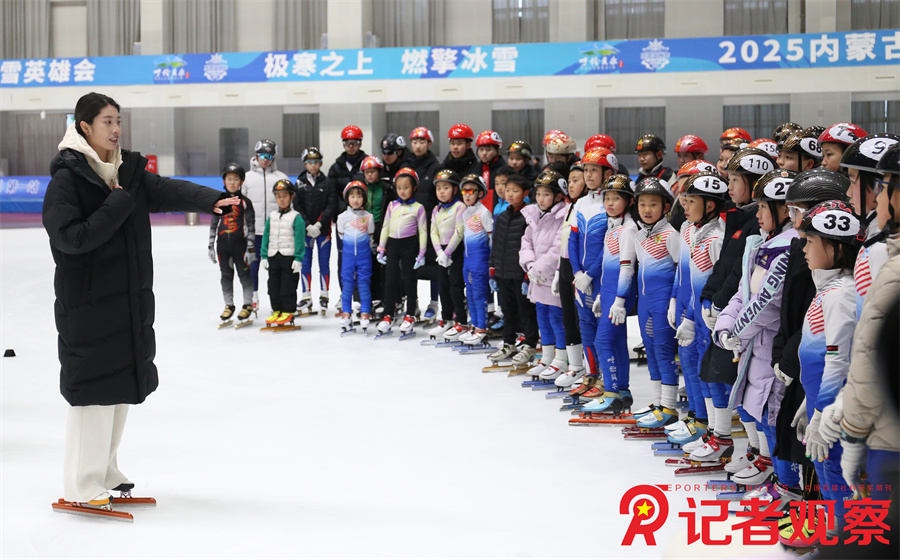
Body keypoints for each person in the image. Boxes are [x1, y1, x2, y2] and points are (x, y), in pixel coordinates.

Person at [43, 92, 235, 513]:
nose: (115, 130)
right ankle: (81, 483)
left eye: (118, 121)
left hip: (125, 301)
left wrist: (210, 200)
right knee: (92, 394)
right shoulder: (67, 179)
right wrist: (116, 202)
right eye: (107, 122)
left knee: (118, 388)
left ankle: (105, 470)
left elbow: (164, 190)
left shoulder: (125, 170)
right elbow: (70, 239)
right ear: (84, 128)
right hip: (88, 304)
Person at [710, 170, 800, 497]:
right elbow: (742, 293)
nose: (758, 214)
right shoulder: (760, 242)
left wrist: (737, 332)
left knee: (771, 418)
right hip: (754, 347)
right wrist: (724, 326)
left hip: (769, 347)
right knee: (756, 413)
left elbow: (767, 304)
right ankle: (774, 474)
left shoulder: (787, 246)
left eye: (763, 207)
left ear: (784, 210)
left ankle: (788, 488)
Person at [796, 200, 861, 534]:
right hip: (822, 401)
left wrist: (822, 413)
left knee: (836, 474)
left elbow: (839, 360)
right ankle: (837, 536)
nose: (804, 248)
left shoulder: (841, 295)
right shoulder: (828, 289)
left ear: (836, 248)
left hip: (836, 411)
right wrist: (810, 401)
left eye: (810, 242)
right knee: (825, 471)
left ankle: (850, 541)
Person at [668, 171, 728, 449]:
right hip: (689, 310)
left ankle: (718, 429)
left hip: (708, 317)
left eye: (690, 201)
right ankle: (700, 419)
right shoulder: (687, 229)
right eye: (683, 199)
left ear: (711, 205)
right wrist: (673, 300)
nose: (684, 206)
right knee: (690, 363)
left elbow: (721, 283)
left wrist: (701, 315)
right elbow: (682, 270)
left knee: (711, 371)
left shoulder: (718, 238)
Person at [581, 174, 638, 414]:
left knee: (602, 341)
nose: (610, 203)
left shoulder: (627, 229)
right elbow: (607, 265)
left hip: (619, 296)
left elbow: (627, 268)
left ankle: (611, 393)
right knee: (615, 342)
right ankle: (623, 391)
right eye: (607, 198)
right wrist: (603, 296)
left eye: (616, 198)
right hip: (609, 293)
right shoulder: (612, 226)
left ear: (628, 202)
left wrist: (620, 301)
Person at [566, 147, 619, 400]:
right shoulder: (580, 203)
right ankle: (591, 375)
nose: (588, 175)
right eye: (585, 170)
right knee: (585, 327)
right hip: (582, 278)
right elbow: (572, 240)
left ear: (607, 172)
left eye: (593, 170)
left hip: (601, 279)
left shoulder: (611, 203)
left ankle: (608, 382)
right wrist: (577, 272)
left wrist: (591, 273)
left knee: (602, 331)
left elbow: (610, 242)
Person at [630, 178, 680, 429]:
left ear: (665, 207)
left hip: (663, 304)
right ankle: (658, 402)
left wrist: (674, 301)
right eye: (642, 204)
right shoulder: (639, 236)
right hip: (645, 303)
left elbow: (682, 270)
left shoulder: (672, 235)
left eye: (653, 204)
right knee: (650, 350)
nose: (647, 209)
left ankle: (669, 408)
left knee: (663, 350)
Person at [520, 170, 570, 380]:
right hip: (536, 278)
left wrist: (538, 268)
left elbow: (557, 248)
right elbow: (526, 241)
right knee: (542, 317)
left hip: (553, 278)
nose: (541, 199)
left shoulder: (562, 216)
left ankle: (561, 359)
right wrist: (530, 264)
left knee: (556, 319)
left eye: (546, 194)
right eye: (538, 193)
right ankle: (547, 357)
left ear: (558, 196)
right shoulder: (533, 214)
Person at [487, 174, 539, 367]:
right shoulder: (501, 216)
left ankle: (530, 344)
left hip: (520, 274)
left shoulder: (529, 216)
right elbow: (496, 245)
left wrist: (527, 275)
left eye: (515, 191)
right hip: (503, 273)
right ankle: (509, 343)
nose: (510, 194)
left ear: (525, 193)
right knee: (507, 310)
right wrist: (493, 270)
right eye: (508, 190)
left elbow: (533, 247)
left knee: (525, 311)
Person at [376, 167, 427, 336]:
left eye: (406, 187)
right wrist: (381, 247)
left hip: (409, 246)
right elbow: (385, 227)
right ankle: (388, 314)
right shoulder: (392, 205)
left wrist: (422, 253)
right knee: (390, 281)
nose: (402, 191)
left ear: (413, 188)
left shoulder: (419, 208)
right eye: (399, 187)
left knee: (409, 280)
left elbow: (423, 232)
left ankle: (410, 314)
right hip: (393, 245)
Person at [551, 161, 588, 389]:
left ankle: (592, 369)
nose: (570, 185)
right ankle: (575, 365)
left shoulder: (588, 207)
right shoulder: (569, 207)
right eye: (570, 180)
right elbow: (563, 242)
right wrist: (558, 271)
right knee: (568, 318)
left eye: (576, 180)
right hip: (565, 266)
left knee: (582, 319)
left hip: (580, 269)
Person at [243, 138, 289, 309]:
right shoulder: (246, 178)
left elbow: (289, 204)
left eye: (269, 155)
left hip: (274, 232)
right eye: (262, 155)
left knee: (276, 268)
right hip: (253, 231)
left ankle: (278, 299)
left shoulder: (281, 178)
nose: (265, 159)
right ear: (256, 155)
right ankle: (253, 298)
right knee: (252, 266)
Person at [209, 162, 256, 324]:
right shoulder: (218, 201)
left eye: (236, 179)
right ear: (224, 181)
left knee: (244, 275)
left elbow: (251, 226)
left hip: (240, 246)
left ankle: (248, 304)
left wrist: (251, 248)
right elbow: (214, 225)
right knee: (226, 276)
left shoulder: (245, 203)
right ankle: (228, 305)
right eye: (229, 179)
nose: (232, 183)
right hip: (222, 247)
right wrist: (210, 246)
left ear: (241, 182)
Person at [425, 169, 468, 341]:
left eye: (446, 188)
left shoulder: (460, 207)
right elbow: (433, 232)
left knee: (456, 287)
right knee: (443, 286)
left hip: (455, 250)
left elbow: (459, 231)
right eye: (439, 188)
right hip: (440, 252)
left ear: (455, 190)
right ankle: (447, 319)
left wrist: (448, 252)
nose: (441, 191)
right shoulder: (436, 209)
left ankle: (462, 322)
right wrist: (439, 252)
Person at [293, 147, 336, 314]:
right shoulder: (299, 183)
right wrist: (307, 225)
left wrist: (319, 224)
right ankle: (306, 297)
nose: (313, 165)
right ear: (305, 164)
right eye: (310, 162)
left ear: (321, 163)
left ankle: (324, 296)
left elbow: (330, 205)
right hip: (305, 232)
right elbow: (297, 206)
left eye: (316, 162)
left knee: (324, 264)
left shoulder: (328, 182)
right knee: (305, 264)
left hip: (323, 232)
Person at [260, 179, 305, 325]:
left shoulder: (296, 217)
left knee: (288, 286)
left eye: (285, 195)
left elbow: (299, 238)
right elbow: (266, 236)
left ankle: (288, 310)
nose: (281, 199)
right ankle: (277, 310)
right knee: (273, 286)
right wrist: (264, 255)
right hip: (274, 256)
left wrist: (298, 258)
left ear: (291, 197)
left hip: (289, 258)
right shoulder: (272, 216)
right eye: (278, 196)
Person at [328, 125, 368, 291]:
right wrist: (342, 213)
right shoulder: (336, 168)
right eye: (347, 143)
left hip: (363, 219)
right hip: (344, 221)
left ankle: (363, 294)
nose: (351, 146)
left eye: (355, 143)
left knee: (363, 257)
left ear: (360, 143)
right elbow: (331, 194)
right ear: (343, 144)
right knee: (344, 257)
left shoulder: (367, 164)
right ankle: (345, 292)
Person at [457, 175, 494, 346]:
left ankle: (482, 328)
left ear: (480, 193)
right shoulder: (465, 213)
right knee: (469, 293)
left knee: (479, 294)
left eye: (471, 191)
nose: (467, 194)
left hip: (480, 260)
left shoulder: (484, 213)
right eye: (464, 191)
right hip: (467, 260)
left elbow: (491, 238)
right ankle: (474, 325)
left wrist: (491, 262)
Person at [336, 181, 375, 332]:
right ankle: (346, 313)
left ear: (364, 199)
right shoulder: (342, 217)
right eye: (352, 196)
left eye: (359, 196)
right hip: (348, 257)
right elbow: (341, 235)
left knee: (364, 284)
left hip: (364, 257)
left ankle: (365, 312)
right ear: (347, 198)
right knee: (347, 284)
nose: (356, 200)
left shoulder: (369, 217)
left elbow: (370, 235)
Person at [361, 155, 395, 313]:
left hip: (383, 231)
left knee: (384, 268)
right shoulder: (360, 189)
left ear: (379, 172)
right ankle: (369, 299)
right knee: (367, 266)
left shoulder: (387, 189)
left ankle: (385, 299)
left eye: (373, 171)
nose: (369, 175)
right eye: (367, 172)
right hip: (364, 232)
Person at [474, 130, 507, 212]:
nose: (484, 153)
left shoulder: (504, 170)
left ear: (497, 151)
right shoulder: (475, 170)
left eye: (488, 150)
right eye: (481, 150)